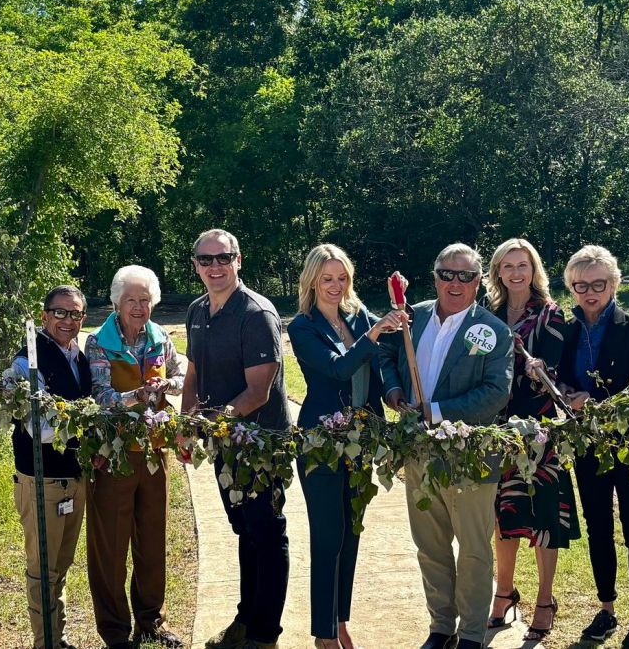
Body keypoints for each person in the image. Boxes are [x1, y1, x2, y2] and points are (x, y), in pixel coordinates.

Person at [379, 243, 514, 649]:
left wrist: (435, 410)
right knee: (430, 545)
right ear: (435, 276)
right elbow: (385, 357)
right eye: (447, 274)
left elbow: (496, 392)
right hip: (419, 454)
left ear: (479, 282)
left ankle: (471, 633)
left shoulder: (493, 331)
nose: (455, 283)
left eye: (466, 276)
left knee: (473, 549)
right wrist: (393, 388)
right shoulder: (410, 318)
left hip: (470, 455)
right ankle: (441, 627)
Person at [287, 244, 407, 649]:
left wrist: (400, 307)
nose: (336, 286)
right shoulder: (302, 327)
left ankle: (339, 620)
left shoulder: (357, 315)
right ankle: (323, 632)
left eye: (342, 278)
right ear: (312, 281)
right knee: (327, 533)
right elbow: (338, 367)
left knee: (351, 531)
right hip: (320, 442)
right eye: (327, 279)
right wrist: (374, 333)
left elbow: (390, 345)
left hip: (360, 441)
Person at [182, 229, 291, 649]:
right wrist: (186, 424)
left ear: (238, 260)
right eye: (206, 260)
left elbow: (257, 392)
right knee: (245, 529)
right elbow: (193, 374)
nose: (215, 267)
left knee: (267, 531)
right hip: (225, 442)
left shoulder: (256, 313)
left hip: (262, 445)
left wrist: (212, 422)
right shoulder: (196, 311)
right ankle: (246, 620)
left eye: (223, 258)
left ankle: (265, 635)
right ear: (195, 265)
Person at [556, 245, 629, 649]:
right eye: (581, 285)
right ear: (572, 287)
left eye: (598, 283)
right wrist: (564, 391)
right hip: (587, 445)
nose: (590, 292)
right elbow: (562, 377)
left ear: (614, 283)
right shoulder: (566, 330)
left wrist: (596, 403)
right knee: (598, 527)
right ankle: (607, 609)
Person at [483, 238, 581, 642]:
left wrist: (534, 369)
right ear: (498, 272)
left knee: (544, 517)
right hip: (493, 428)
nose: (516, 272)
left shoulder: (551, 315)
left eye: (523, 264)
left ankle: (544, 599)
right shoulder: (485, 315)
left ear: (533, 268)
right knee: (501, 516)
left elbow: (551, 373)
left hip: (537, 429)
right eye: (508, 266)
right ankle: (504, 593)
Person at [84, 265, 185, 649]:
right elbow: (99, 397)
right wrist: (137, 396)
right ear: (116, 302)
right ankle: (114, 631)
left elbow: (182, 372)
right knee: (110, 545)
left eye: (145, 300)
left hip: (154, 453)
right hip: (113, 455)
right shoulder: (99, 342)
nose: (139, 307)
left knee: (152, 539)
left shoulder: (160, 337)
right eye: (132, 300)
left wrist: (169, 384)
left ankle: (150, 622)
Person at [9, 285, 92, 649]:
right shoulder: (26, 362)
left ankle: (58, 639)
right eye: (60, 313)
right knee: (42, 569)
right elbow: (40, 429)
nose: (68, 321)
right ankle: (46, 643)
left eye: (75, 314)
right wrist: (91, 421)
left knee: (62, 563)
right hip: (41, 481)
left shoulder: (80, 358)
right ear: (44, 317)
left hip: (74, 479)